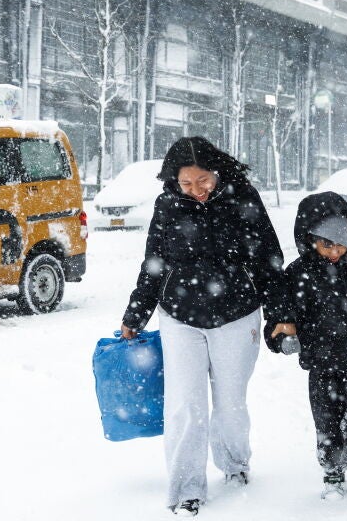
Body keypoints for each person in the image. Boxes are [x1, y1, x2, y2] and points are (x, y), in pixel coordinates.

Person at [119, 136, 294, 517]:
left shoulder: (242, 200)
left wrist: (282, 316)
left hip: (236, 315)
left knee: (230, 403)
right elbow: (154, 262)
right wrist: (136, 313)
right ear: (174, 181)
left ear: (217, 173)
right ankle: (185, 487)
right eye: (187, 184)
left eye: (204, 182)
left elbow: (269, 260)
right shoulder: (167, 205)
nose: (196, 191)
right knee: (184, 405)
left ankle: (235, 465)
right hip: (179, 317)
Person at [266, 191, 347, 500]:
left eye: (339, 244)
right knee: (327, 418)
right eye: (325, 245)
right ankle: (333, 471)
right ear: (311, 241)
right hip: (322, 361)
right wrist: (281, 335)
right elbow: (282, 313)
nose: (334, 252)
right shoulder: (298, 273)